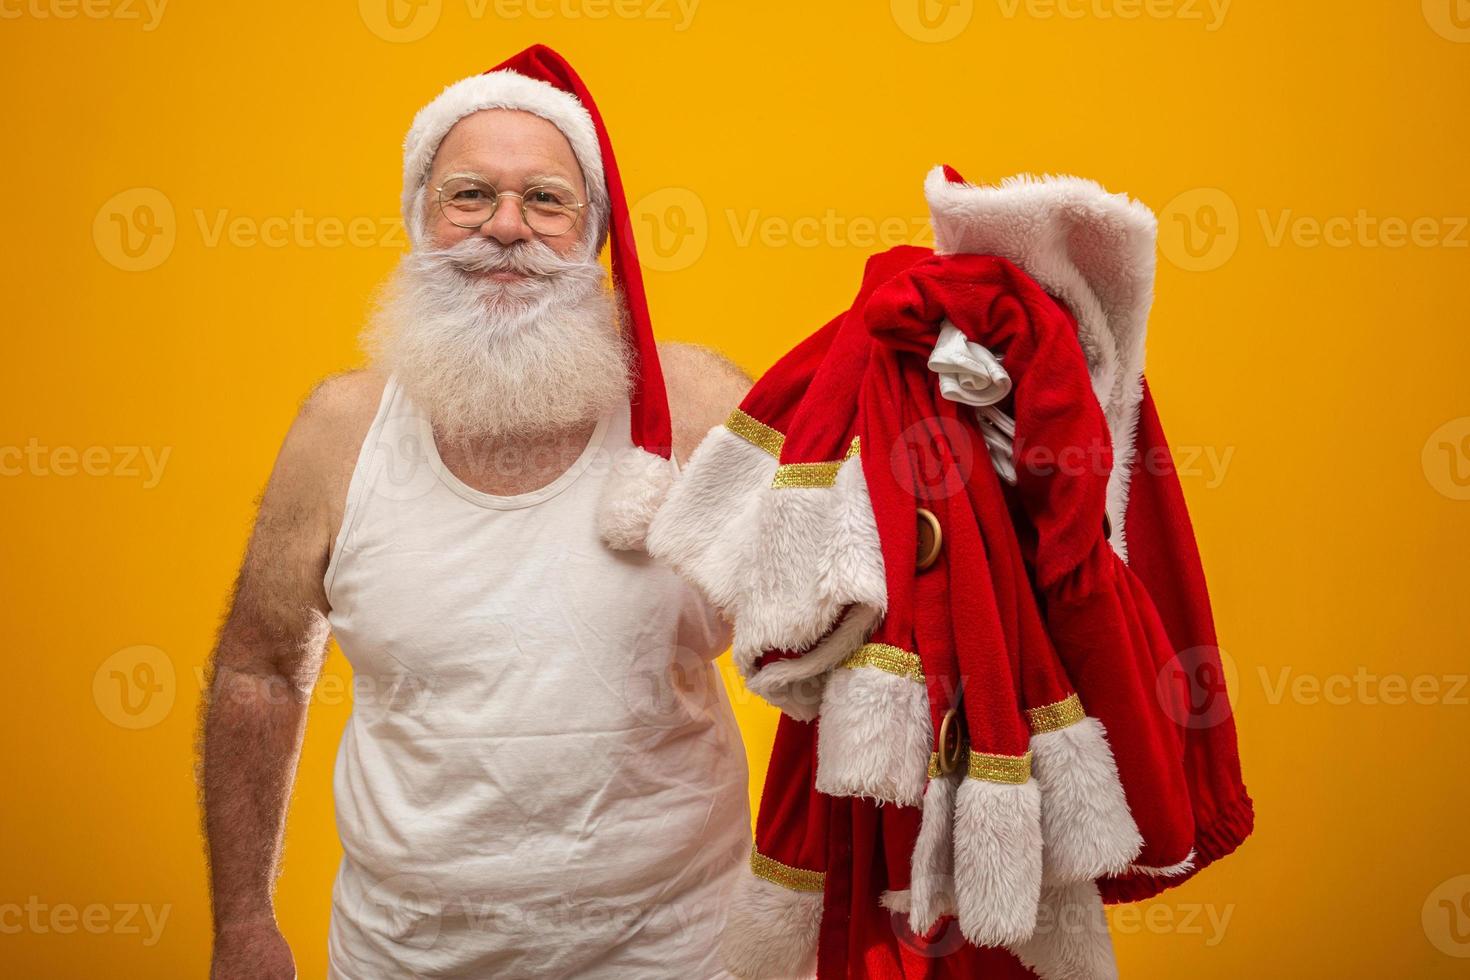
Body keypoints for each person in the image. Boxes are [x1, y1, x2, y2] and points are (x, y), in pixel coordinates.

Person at [197, 46, 754, 980]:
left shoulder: (703, 411)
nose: (506, 228)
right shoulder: (340, 431)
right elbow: (258, 667)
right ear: (420, 220)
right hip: (402, 956)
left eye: (545, 200)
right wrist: (245, 921)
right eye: (469, 196)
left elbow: (845, 625)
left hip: (681, 951)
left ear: (594, 236)